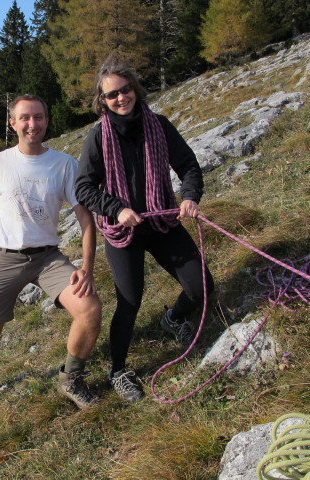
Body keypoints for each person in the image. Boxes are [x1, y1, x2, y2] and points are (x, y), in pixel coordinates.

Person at [0, 94, 102, 436]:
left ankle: (70, 378)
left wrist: (86, 266)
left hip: (48, 258)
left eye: (39, 117)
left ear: (47, 120)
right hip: (4, 259)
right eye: (25, 118)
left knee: (89, 309)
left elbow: (85, 218)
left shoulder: (63, 164)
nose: (33, 124)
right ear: (13, 123)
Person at [75, 58, 214, 402]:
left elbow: (188, 165)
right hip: (123, 234)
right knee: (130, 301)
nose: (121, 98)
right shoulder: (98, 137)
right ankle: (118, 369)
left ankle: (174, 318)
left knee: (202, 286)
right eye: (112, 95)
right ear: (102, 102)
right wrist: (116, 209)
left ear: (135, 88)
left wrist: (190, 196)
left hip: (161, 223)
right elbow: (84, 187)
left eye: (125, 90)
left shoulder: (160, 125)